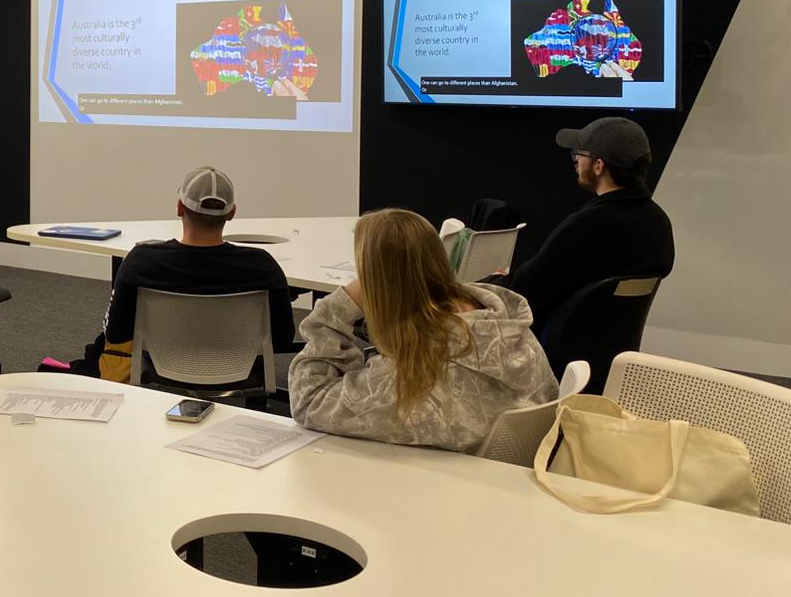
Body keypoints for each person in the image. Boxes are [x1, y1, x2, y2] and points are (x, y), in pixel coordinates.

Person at [289, 208, 558, 453]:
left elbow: (310, 402)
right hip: (511, 480)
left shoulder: (417, 373)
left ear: (377, 285)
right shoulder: (503, 322)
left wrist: (340, 306)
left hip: (454, 491)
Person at [60, 166, 295, 383]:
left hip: (159, 370)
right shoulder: (263, 267)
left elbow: (116, 332)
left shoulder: (141, 262)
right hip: (240, 373)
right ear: (232, 213)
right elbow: (282, 339)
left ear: (179, 207)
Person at [505, 117, 674, 333]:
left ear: (598, 166)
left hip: (549, 351)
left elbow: (523, 292)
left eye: (579, 154)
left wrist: (489, 282)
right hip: (610, 347)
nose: (575, 160)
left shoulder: (585, 226)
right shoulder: (658, 223)